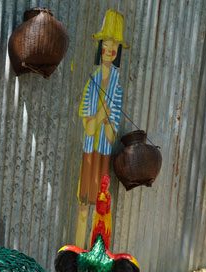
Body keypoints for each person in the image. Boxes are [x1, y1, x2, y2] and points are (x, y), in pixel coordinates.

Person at [74, 9, 126, 247]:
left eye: (115, 44)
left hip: (104, 154)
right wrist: (100, 115)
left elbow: (111, 133)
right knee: (83, 205)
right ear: (100, 46)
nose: (110, 49)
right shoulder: (92, 80)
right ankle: (76, 254)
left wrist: (103, 118)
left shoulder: (117, 86)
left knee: (101, 207)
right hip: (89, 151)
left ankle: (95, 261)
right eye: (106, 43)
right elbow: (90, 126)